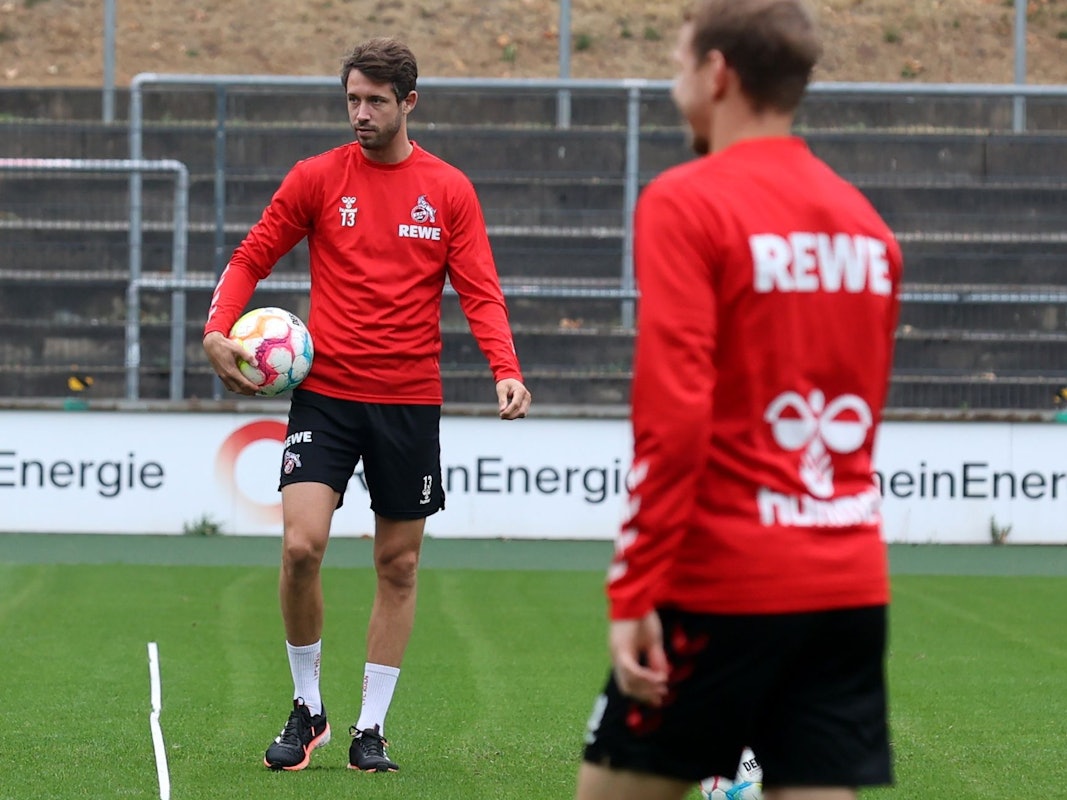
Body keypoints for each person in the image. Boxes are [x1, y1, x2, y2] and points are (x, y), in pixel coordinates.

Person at [575, 2, 901, 800]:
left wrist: (634, 588)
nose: (673, 83)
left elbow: (673, 414)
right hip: (848, 585)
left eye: (678, 63)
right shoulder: (868, 228)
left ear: (717, 74)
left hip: (723, 580)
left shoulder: (687, 202)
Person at [203, 37, 532, 773]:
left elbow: (479, 289)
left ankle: (370, 728)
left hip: (409, 401)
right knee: (299, 547)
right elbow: (254, 252)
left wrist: (504, 368)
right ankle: (307, 706)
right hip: (325, 396)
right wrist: (217, 329)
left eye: (375, 101)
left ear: (408, 103)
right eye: (352, 99)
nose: (360, 112)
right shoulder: (317, 178)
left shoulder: (447, 190)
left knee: (398, 565)